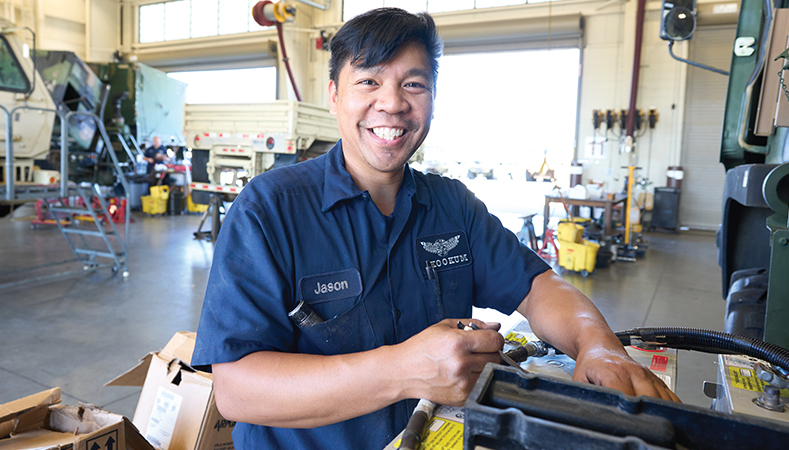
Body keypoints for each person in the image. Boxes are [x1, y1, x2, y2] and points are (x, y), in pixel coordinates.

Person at [192, 7, 679, 449]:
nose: (392, 104)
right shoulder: (270, 209)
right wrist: (404, 371)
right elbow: (237, 391)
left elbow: (537, 285)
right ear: (335, 95)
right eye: (369, 81)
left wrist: (598, 345)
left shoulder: (451, 206)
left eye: (413, 84)